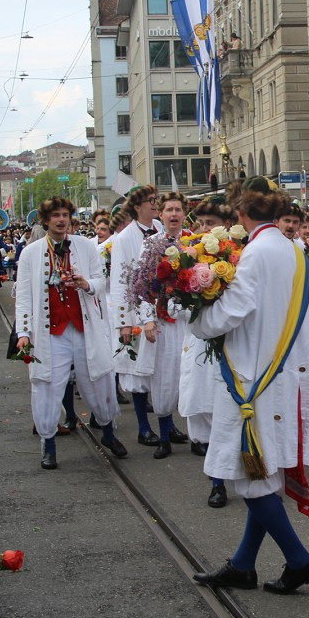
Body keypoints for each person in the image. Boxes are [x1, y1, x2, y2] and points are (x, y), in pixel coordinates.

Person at [190, 177, 309, 595]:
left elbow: (235, 309)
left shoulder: (255, 252)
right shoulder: (295, 250)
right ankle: (243, 565)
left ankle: (300, 560)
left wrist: (196, 319)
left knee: (250, 477)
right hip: (285, 375)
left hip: (254, 380)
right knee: (261, 476)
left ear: (242, 212)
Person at [14, 197, 126, 470]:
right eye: (55, 216)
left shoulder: (86, 247)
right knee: (48, 385)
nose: (61, 220)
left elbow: (102, 282)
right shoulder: (30, 253)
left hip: (84, 328)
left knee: (98, 379)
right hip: (52, 332)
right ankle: (48, 444)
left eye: (65, 215)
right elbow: (24, 297)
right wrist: (23, 332)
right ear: (45, 220)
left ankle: (108, 433)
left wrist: (86, 284)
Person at [178, 196, 236, 507]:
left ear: (226, 226)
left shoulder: (238, 257)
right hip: (201, 342)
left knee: (232, 412)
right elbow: (174, 305)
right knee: (208, 413)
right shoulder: (187, 257)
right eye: (200, 223)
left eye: (210, 224)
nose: (204, 229)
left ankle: (244, 475)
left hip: (232, 341)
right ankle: (217, 482)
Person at [135, 193, 190, 459]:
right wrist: (147, 319)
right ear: (161, 214)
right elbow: (142, 286)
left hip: (189, 320)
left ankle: (198, 435)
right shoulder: (150, 244)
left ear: (184, 213)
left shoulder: (194, 242)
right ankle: (164, 437)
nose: (173, 214)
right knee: (164, 376)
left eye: (178, 209)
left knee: (190, 375)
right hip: (162, 319)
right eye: (169, 209)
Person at [109, 185, 164, 447]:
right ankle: (143, 428)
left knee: (163, 370)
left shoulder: (161, 229)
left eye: (156, 200)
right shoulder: (123, 239)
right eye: (150, 201)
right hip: (135, 311)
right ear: (137, 206)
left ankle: (168, 424)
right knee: (138, 372)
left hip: (161, 309)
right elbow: (120, 282)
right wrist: (124, 323)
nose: (155, 204)